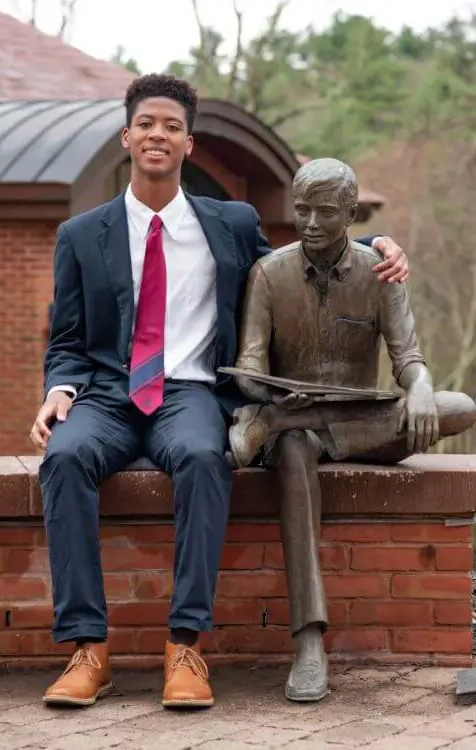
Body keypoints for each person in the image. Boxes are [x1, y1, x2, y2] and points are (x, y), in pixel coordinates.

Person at [30, 74, 410, 710]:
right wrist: (59, 388)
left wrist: (376, 245)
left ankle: (186, 647)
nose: (159, 134)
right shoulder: (80, 235)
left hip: (192, 393)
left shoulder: (230, 223)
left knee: (208, 459)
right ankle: (88, 648)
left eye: (172, 126)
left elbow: (296, 267)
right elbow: (65, 337)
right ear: (127, 137)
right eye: (147, 123)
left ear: (189, 145)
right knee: (64, 458)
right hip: (106, 395)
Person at [230, 157, 476, 702]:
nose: (311, 223)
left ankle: (277, 425)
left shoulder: (378, 271)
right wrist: (266, 393)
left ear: (349, 211)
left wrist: (417, 387)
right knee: (293, 449)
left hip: (361, 419)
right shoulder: (269, 274)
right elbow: (248, 365)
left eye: (324, 212)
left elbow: (408, 357)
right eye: (302, 210)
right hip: (298, 431)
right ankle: (310, 643)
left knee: (459, 405)